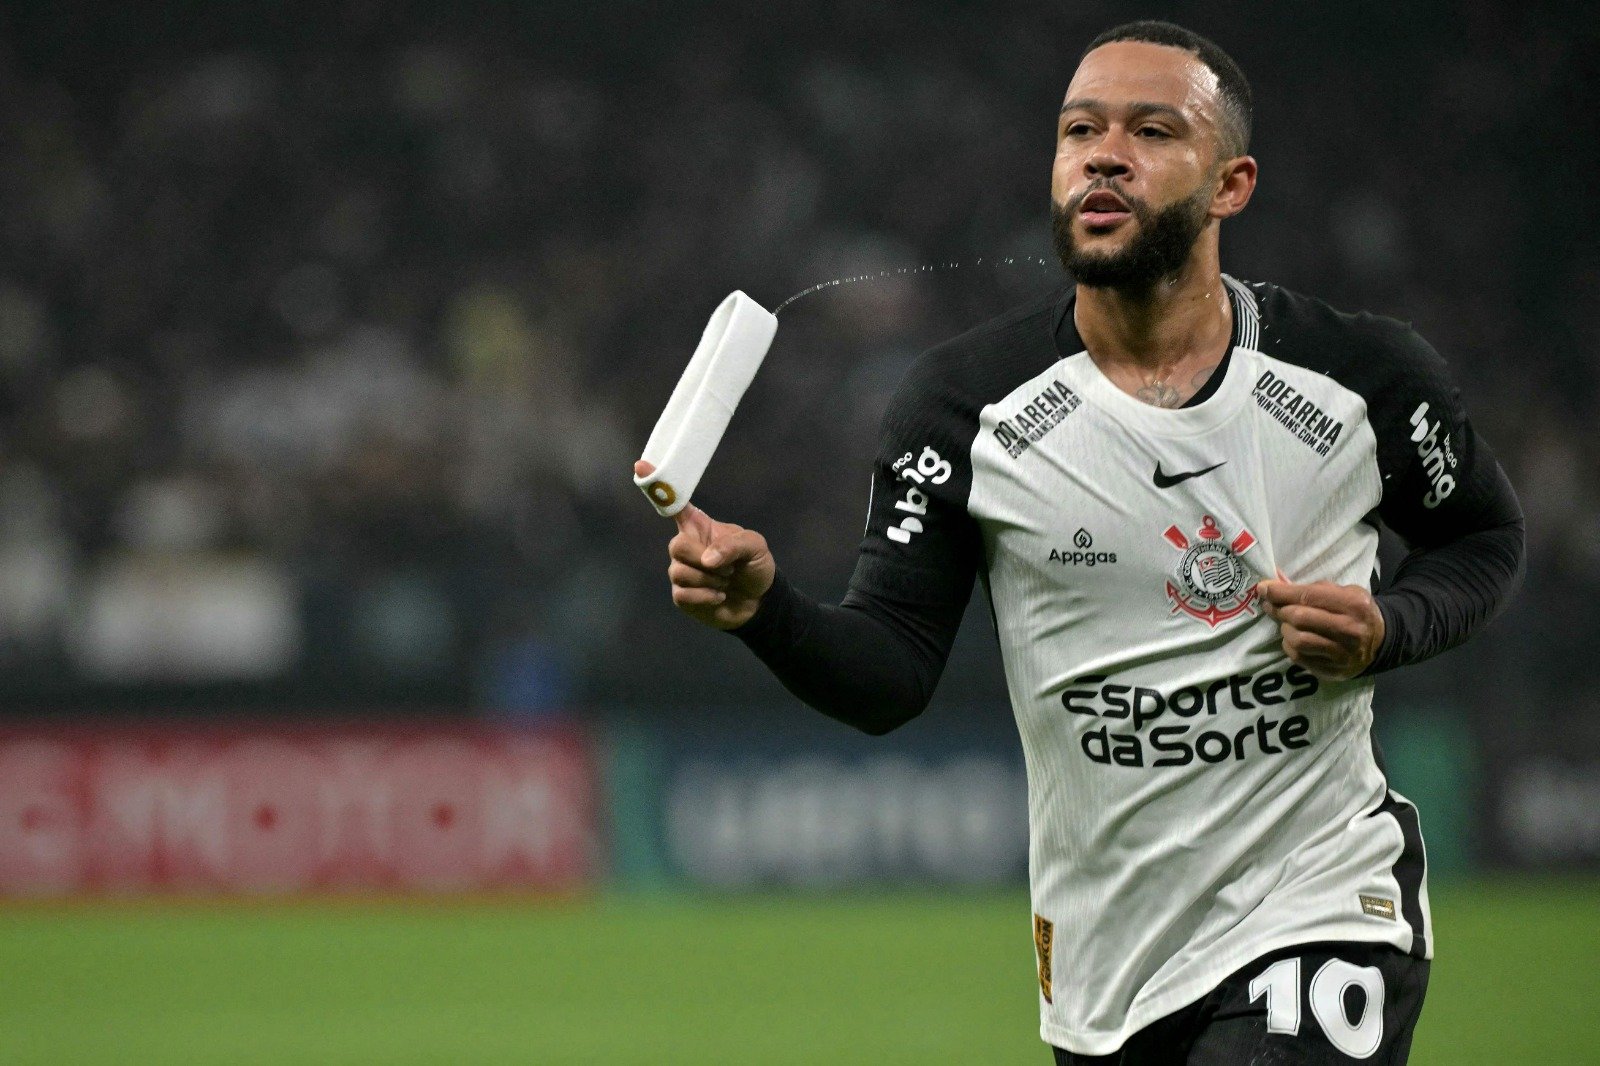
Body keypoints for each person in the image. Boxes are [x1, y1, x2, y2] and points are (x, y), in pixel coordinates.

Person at [637, 20, 1523, 1064]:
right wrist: (765, 611)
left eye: (1152, 130)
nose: (1103, 153)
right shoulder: (963, 405)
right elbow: (887, 672)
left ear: (1231, 184)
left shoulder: (1360, 374)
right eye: (1078, 130)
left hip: (1319, 904)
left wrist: (1389, 623)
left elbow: (1481, 536)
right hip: (1108, 963)